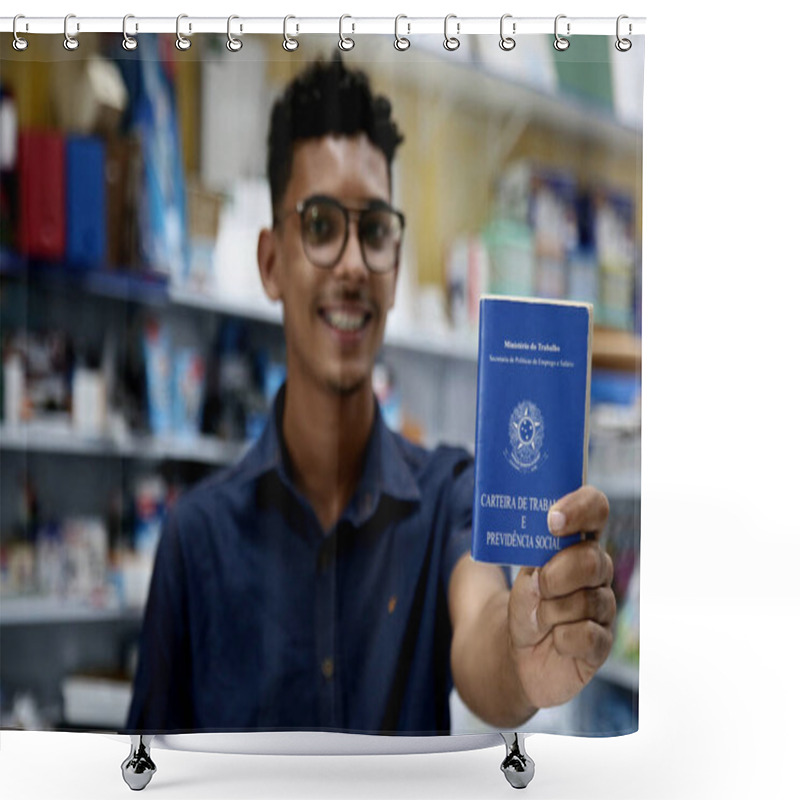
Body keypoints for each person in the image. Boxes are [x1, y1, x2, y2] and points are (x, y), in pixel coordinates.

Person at [126, 57, 615, 735]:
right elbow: (146, 766)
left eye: (377, 231)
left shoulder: (450, 495)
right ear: (271, 262)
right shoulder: (195, 540)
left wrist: (526, 647)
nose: (354, 264)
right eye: (322, 226)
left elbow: (483, 633)